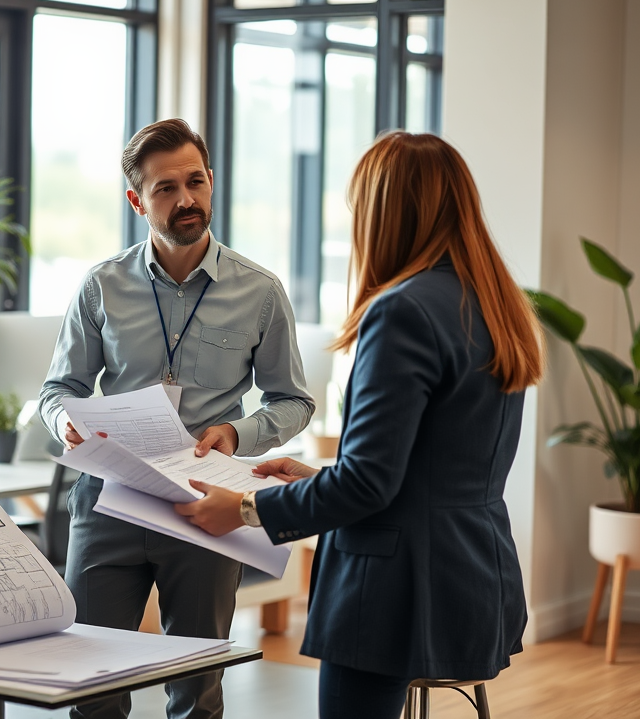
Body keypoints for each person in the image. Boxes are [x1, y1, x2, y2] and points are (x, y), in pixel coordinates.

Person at [175, 131, 544, 719]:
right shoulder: (494, 302)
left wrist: (245, 511)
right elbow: (430, 466)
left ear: (384, 214)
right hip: (475, 574)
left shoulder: (401, 311)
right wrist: (314, 477)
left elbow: (369, 486)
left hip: (394, 591)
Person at [39, 118, 315, 719]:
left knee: (197, 690)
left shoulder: (261, 292)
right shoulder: (100, 287)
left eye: (195, 181)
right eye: (166, 188)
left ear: (211, 182)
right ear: (137, 200)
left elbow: (293, 400)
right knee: (93, 685)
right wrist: (66, 424)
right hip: (109, 498)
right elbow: (58, 390)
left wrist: (237, 434)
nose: (186, 198)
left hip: (206, 505)